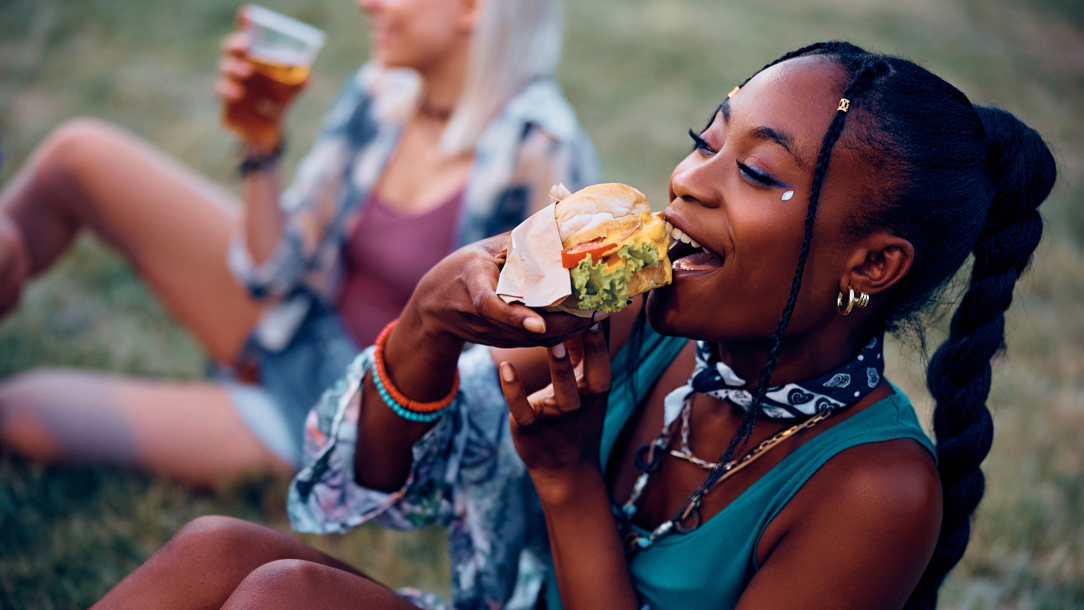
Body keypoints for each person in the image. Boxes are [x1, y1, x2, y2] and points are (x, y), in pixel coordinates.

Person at [89, 41, 1056, 609]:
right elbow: (376, 485)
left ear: (872, 265)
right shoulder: (639, 312)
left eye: (757, 173)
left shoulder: (878, 489)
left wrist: (565, 477)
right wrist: (431, 319)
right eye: (704, 143)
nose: (686, 181)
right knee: (223, 555)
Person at [0, 0, 598, 485]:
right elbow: (271, 273)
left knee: (22, 414)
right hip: (293, 321)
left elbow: (540, 352)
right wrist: (261, 143)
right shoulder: (381, 94)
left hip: (345, 413)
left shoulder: (541, 147)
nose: (368, 4)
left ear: (471, 7)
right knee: (77, 156)